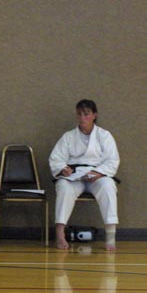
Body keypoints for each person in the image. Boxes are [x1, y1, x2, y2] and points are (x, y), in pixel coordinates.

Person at [49, 99, 120, 251]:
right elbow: (56, 158)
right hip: (74, 175)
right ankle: (60, 232)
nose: (83, 118)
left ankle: (110, 234)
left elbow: (112, 160)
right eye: (80, 114)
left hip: (98, 174)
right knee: (63, 187)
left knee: (108, 186)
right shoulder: (68, 136)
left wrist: (99, 173)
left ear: (94, 115)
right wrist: (63, 169)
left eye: (86, 114)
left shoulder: (104, 136)